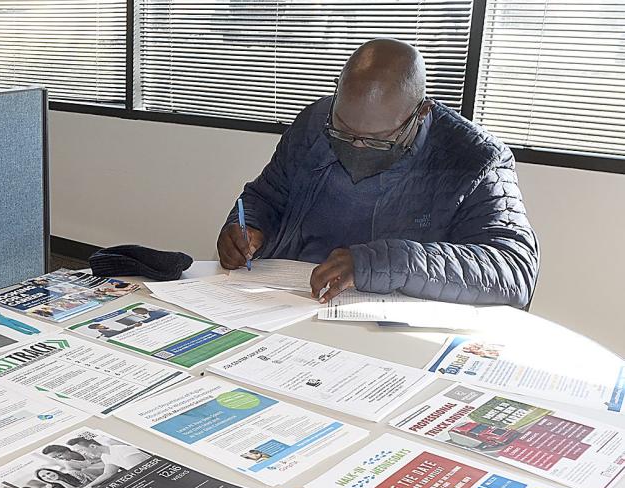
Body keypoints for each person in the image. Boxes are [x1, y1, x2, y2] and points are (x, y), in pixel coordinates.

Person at [216, 39, 538, 307]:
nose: (356, 146)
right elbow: (266, 197)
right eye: (343, 130)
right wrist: (245, 228)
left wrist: (381, 261)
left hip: (389, 324)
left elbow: (513, 268)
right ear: (337, 93)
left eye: (377, 139)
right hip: (285, 302)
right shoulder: (315, 122)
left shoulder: (474, 158)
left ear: (421, 112)